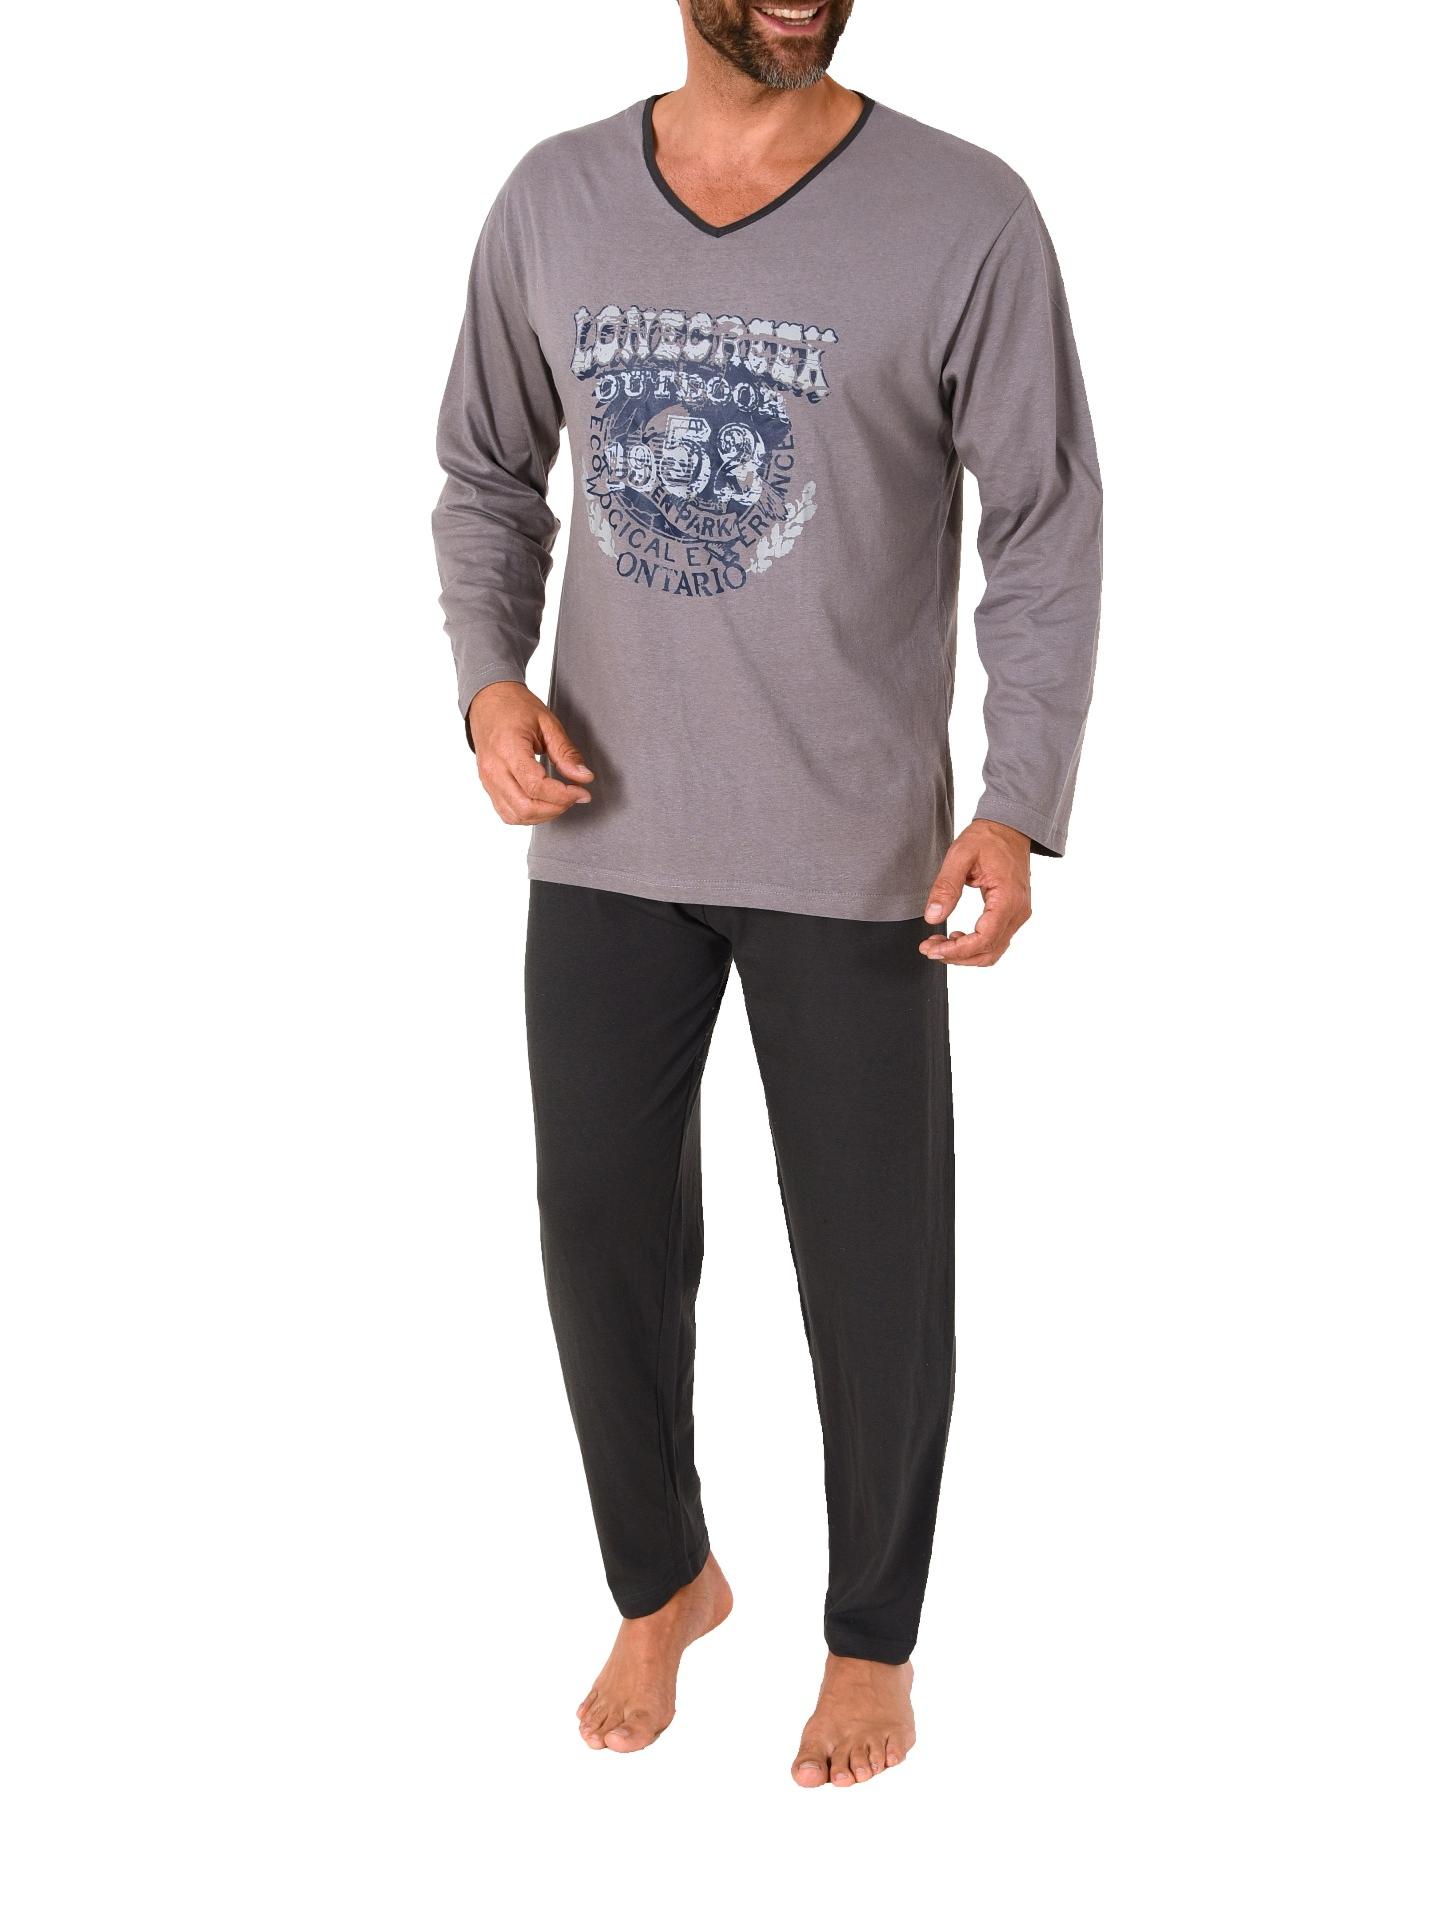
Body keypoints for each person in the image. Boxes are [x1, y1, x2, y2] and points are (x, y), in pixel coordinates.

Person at [432, 0, 1101, 1788]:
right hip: (603, 834)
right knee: (599, 1235)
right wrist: (487, 680)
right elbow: (486, 472)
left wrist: (1016, 802)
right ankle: (664, 1580)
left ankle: (870, 1637)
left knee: (874, 1265)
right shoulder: (554, 197)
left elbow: (1042, 519)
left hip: (855, 848)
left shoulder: (964, 212)